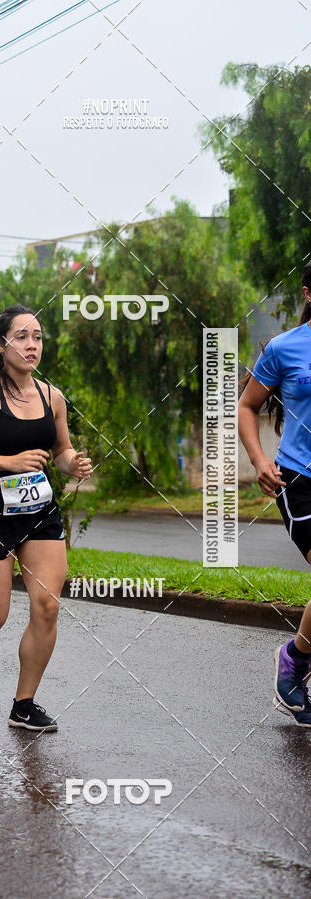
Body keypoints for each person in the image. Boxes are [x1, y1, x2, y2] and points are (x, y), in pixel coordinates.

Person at [0, 304, 92, 731]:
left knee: (47, 606)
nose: (31, 345)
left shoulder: (51, 397)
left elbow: (60, 450)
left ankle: (23, 705)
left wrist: (72, 463)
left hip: (39, 513)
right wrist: (8, 462)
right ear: (1, 344)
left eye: (37, 337)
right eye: (22, 336)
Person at [239, 262, 311, 727]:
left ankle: (298, 657)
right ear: (308, 293)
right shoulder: (285, 348)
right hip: (300, 478)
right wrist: (259, 459)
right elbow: (247, 406)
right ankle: (295, 660)